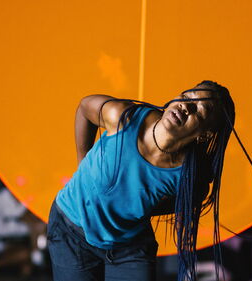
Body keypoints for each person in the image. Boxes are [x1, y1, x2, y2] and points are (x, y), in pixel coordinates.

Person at [47, 80, 237, 281]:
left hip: (128, 248)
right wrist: (82, 160)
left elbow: (195, 196)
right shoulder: (124, 118)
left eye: (199, 110)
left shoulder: (189, 175)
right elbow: (85, 107)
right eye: (187, 96)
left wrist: (139, 208)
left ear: (204, 135)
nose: (186, 106)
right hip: (70, 232)